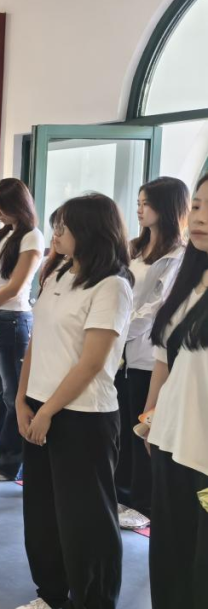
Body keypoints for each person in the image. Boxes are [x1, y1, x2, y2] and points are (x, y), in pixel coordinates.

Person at [13, 193, 133, 609]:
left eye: (64, 226)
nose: (56, 233)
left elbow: (92, 361)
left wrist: (47, 410)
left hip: (84, 415)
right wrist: (23, 399)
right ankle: (53, 595)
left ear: (91, 231)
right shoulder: (59, 272)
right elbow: (36, 341)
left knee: (86, 517)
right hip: (40, 404)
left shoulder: (112, 285)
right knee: (43, 511)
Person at [134, 174, 208, 609]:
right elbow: (164, 356)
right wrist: (149, 419)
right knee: (170, 564)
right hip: (171, 444)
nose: (200, 217)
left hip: (204, 458)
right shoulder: (190, 278)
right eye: (197, 205)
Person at [115, 177, 188, 531]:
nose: (140, 209)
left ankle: (142, 503)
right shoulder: (133, 248)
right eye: (139, 202)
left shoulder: (178, 255)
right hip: (121, 353)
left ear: (167, 207)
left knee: (141, 427)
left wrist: (118, 331)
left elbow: (157, 308)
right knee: (122, 427)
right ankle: (123, 494)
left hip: (145, 353)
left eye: (146, 203)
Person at [0, 179, 44, 482]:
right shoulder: (2, 236)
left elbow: (16, 287)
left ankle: (11, 462)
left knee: (14, 395)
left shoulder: (32, 237)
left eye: (2, 207)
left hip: (13, 320)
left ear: (19, 204)